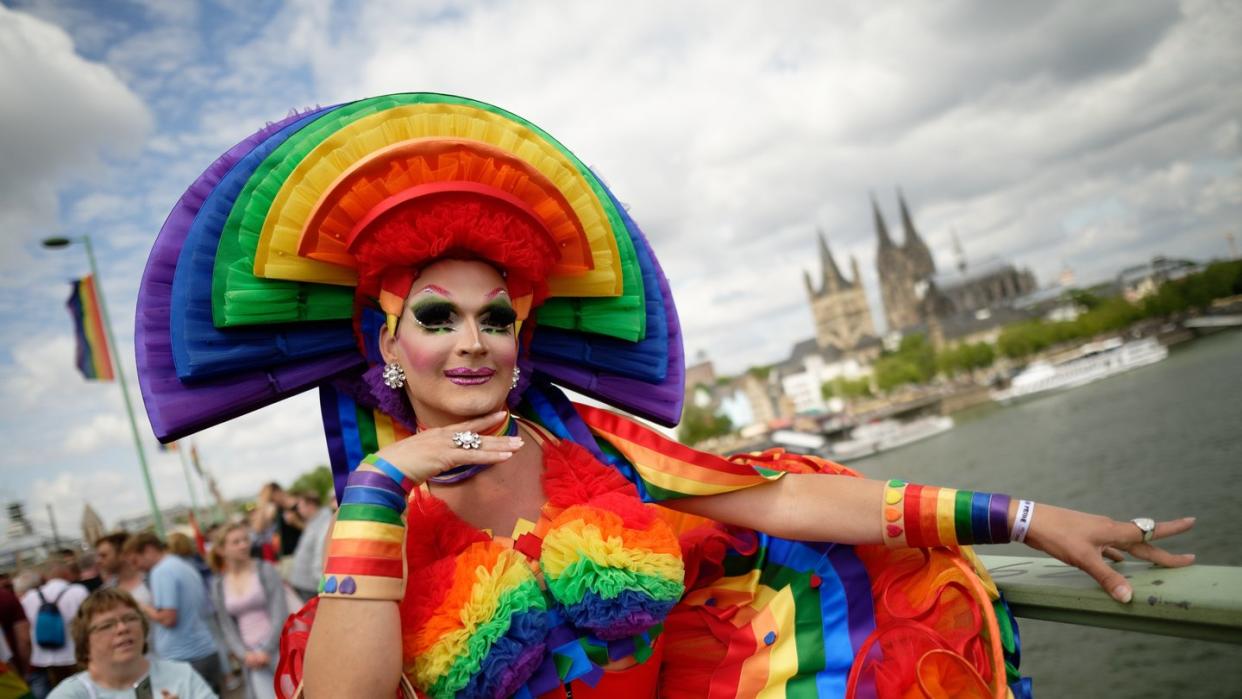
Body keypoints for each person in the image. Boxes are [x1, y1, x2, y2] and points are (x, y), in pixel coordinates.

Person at [137, 93, 1194, 698]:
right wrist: (375, 486)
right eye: (437, 315)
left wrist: (1025, 516)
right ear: (386, 341)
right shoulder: (370, 517)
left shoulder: (590, 445)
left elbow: (776, 499)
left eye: (497, 316)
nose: (472, 342)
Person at [48, 587, 217, 699]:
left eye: (130, 619)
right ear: (84, 642)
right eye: (107, 625)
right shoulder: (70, 695)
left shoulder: (180, 674)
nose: (122, 628)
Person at [124, 534, 220, 693]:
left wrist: (141, 606)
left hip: (184, 656)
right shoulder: (181, 564)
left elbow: (168, 619)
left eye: (135, 560)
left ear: (148, 550)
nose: (136, 567)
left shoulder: (161, 571)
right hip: (203, 651)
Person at [208, 523, 288, 699]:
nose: (243, 545)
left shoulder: (264, 569)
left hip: (278, 648)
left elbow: (279, 611)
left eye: (245, 539)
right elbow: (225, 624)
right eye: (235, 542)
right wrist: (244, 654)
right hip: (250, 657)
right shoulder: (219, 584)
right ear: (222, 550)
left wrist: (267, 649)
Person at [20, 559, 89, 697]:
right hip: (75, 654)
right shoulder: (78, 591)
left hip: (44, 657)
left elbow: (25, 633)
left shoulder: (30, 597)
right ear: (66, 573)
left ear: (45, 576)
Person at [284, 494, 331, 603]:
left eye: (300, 507)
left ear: (310, 505)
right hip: (303, 584)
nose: (299, 511)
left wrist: (321, 585)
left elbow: (320, 555)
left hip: (311, 586)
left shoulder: (324, 522)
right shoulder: (313, 521)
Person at [94, 534, 153, 607]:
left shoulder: (153, 577)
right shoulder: (105, 592)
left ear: (122, 554)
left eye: (103, 555)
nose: (98, 561)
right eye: (98, 556)